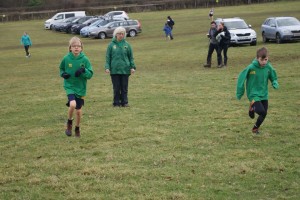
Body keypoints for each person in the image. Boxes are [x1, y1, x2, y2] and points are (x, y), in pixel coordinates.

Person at [236, 47, 279, 134]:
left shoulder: (268, 67)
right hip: (253, 94)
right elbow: (241, 77)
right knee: (261, 111)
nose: (264, 62)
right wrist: (240, 91)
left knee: (264, 113)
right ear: (257, 58)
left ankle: (255, 128)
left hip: (264, 93)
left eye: (265, 59)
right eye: (261, 60)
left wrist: (274, 82)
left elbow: (273, 76)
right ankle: (252, 106)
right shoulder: (251, 67)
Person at [59, 36, 94, 137]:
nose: (76, 48)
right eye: (74, 46)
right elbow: (61, 69)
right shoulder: (66, 58)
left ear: (81, 48)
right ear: (70, 48)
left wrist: (83, 71)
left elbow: (90, 74)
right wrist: (63, 74)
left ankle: (77, 128)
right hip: (69, 85)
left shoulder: (85, 59)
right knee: (72, 104)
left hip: (81, 88)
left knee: (78, 111)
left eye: (78, 46)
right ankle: (69, 122)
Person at [105, 27, 136, 107]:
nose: (121, 35)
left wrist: (132, 67)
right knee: (116, 88)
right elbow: (108, 57)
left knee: (124, 87)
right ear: (116, 34)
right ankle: (116, 102)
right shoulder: (111, 45)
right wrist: (107, 67)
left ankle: (124, 102)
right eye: (119, 34)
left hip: (125, 70)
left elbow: (131, 57)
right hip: (114, 70)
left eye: (123, 34)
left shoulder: (127, 45)